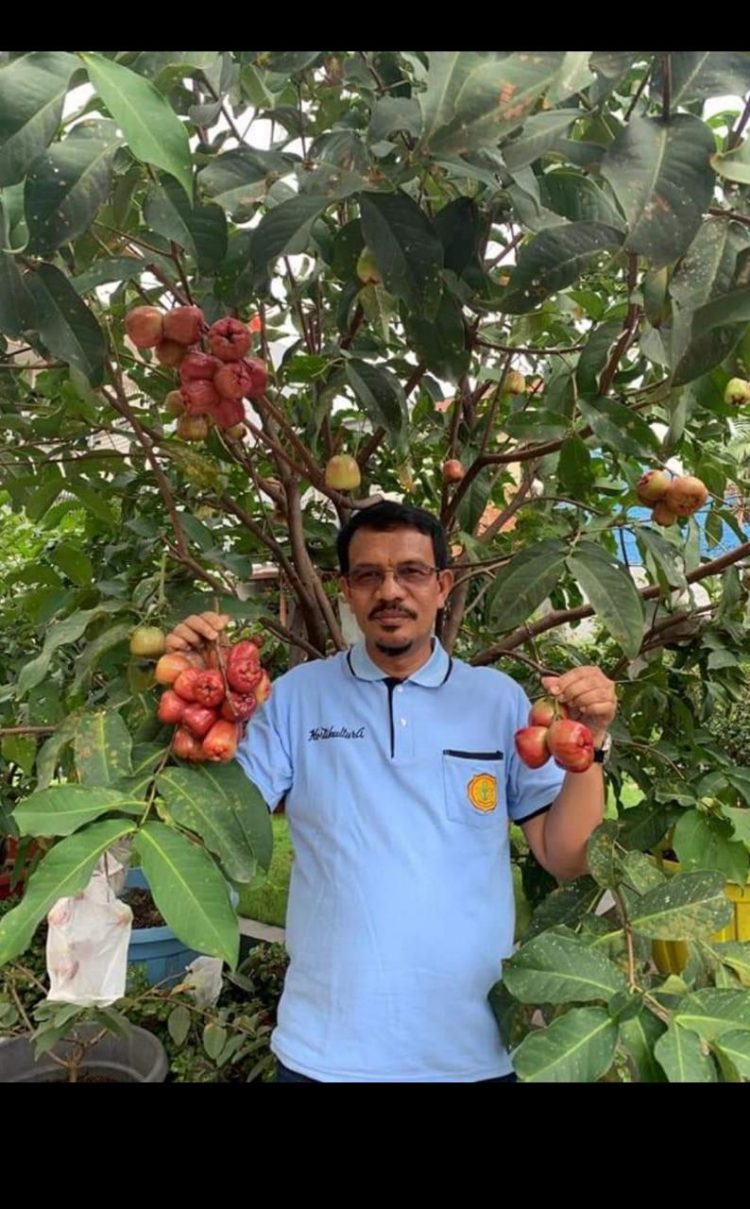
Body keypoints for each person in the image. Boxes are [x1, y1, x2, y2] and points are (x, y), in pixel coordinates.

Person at [166, 501, 616, 1083]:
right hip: (324, 1050)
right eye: (368, 575)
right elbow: (212, 826)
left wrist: (590, 748)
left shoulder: (500, 701)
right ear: (346, 590)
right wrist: (196, 693)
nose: (390, 591)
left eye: (411, 571)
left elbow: (569, 858)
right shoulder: (299, 698)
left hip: (472, 1051)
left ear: (443, 585)